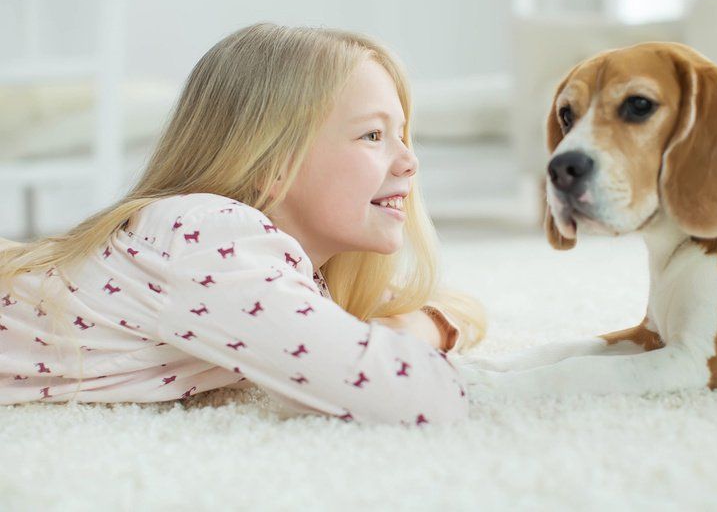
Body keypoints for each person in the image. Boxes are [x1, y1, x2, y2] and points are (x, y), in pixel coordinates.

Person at [0, 24, 486, 425]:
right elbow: (420, 399)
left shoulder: (261, 264)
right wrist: (415, 328)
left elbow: (450, 306)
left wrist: (421, 320)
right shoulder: (212, 235)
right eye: (373, 135)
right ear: (270, 165)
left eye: (403, 135)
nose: (409, 161)